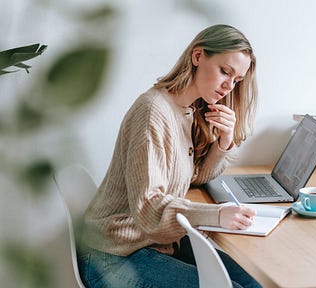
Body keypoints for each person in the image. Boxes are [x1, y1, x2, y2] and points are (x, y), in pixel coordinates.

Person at [78, 24, 262, 288]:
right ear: (197, 56)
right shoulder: (153, 111)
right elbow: (149, 208)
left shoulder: (185, 110)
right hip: (112, 256)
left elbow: (195, 178)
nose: (228, 86)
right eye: (225, 71)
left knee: (254, 285)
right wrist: (218, 215)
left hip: (153, 243)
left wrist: (224, 142)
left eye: (236, 80)